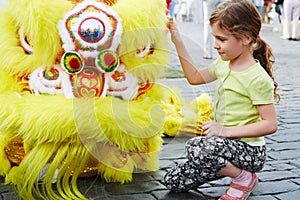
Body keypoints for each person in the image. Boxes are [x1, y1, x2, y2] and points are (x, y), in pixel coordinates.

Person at [164, 0, 279, 199]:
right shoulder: (223, 64)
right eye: (214, 38)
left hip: (249, 151)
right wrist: (177, 40)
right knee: (173, 181)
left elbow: (270, 124)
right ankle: (225, 167)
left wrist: (224, 131)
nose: (216, 45)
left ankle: (243, 177)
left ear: (245, 38)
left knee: (197, 147)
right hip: (221, 147)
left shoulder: (257, 78)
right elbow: (194, 78)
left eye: (222, 39)